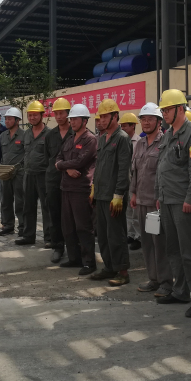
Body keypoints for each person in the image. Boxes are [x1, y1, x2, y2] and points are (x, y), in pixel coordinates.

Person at [155, 88, 191, 318]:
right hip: (167, 199)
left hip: (182, 202)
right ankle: (180, 291)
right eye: (163, 110)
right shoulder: (168, 133)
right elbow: (162, 166)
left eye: (167, 110)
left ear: (179, 109)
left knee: (190, 251)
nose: (164, 114)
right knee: (173, 250)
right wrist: (159, 195)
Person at [130, 103, 172, 297]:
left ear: (159, 121)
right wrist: (133, 193)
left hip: (156, 204)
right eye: (143, 119)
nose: (146, 123)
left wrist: (160, 197)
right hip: (141, 202)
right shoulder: (140, 143)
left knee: (160, 244)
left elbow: (165, 173)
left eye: (150, 119)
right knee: (147, 243)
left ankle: (166, 282)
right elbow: (135, 171)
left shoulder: (165, 142)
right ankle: (153, 279)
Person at [91, 99, 132, 286]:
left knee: (116, 235)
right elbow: (98, 165)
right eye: (100, 117)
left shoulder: (122, 138)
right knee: (103, 235)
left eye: (105, 116)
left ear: (115, 116)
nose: (101, 120)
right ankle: (109, 267)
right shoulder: (102, 138)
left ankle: (122, 272)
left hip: (114, 196)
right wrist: (93, 188)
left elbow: (124, 170)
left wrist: (119, 195)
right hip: (101, 195)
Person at [56, 104, 98, 275]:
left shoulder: (90, 139)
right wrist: (65, 168)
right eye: (71, 119)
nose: (72, 122)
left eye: (75, 119)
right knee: (68, 226)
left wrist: (61, 165)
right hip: (66, 187)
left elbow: (80, 161)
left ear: (85, 120)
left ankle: (89, 262)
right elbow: (58, 158)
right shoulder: (69, 139)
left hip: (81, 189)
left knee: (83, 226)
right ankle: (74, 258)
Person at [19, 101, 51, 247]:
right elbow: (24, 153)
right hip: (28, 175)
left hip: (44, 175)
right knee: (28, 207)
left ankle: (49, 238)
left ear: (42, 115)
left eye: (35, 115)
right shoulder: (26, 134)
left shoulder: (49, 134)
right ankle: (28, 236)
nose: (32, 118)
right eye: (30, 115)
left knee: (46, 207)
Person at [45, 97, 71, 263]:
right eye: (56, 113)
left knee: (71, 216)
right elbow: (48, 157)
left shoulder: (76, 133)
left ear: (68, 114)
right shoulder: (50, 135)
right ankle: (57, 247)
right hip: (54, 180)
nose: (59, 116)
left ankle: (74, 247)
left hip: (72, 181)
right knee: (54, 214)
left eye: (62, 113)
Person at [0, 107, 25, 237]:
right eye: (6, 119)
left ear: (17, 120)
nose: (7, 121)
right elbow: (2, 154)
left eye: (10, 119)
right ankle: (8, 225)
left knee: (20, 201)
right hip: (5, 173)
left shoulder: (24, 135)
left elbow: (27, 154)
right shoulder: (2, 136)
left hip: (19, 173)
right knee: (6, 200)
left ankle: (23, 227)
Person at [121, 112, 142, 251]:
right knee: (128, 211)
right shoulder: (121, 140)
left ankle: (138, 237)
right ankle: (131, 234)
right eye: (121, 126)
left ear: (133, 126)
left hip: (136, 181)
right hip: (125, 180)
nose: (123, 128)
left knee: (135, 211)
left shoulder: (139, 142)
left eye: (125, 125)